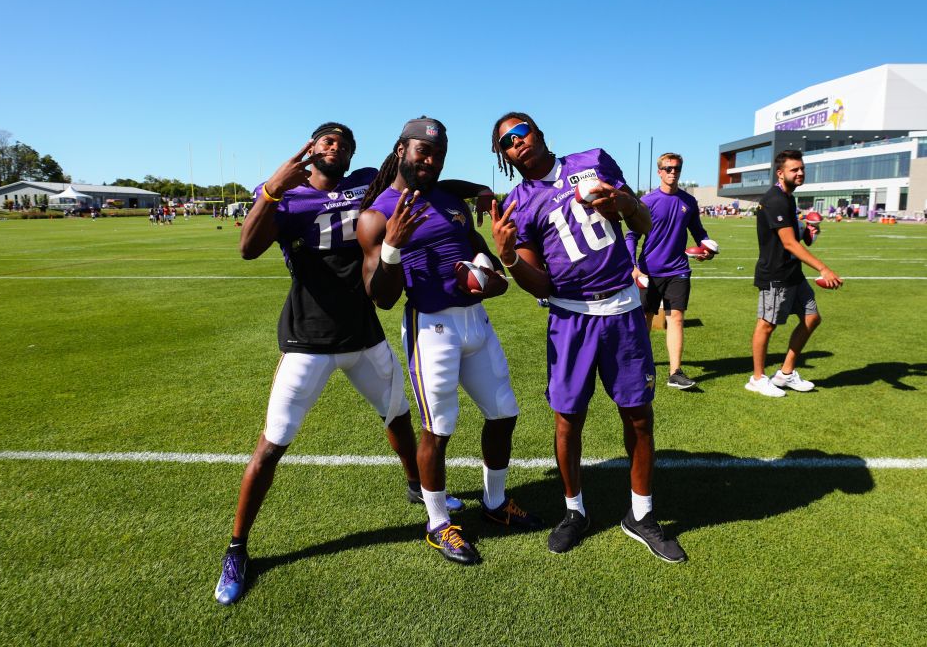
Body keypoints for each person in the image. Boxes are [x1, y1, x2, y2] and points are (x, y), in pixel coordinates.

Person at [214, 121, 486, 605]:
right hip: (309, 337)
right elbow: (247, 248)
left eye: (345, 142)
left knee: (399, 416)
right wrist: (273, 192)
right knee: (273, 444)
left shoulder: (365, 182)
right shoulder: (287, 194)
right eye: (328, 140)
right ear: (312, 147)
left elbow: (431, 182)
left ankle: (414, 487)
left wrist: (481, 189)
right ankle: (237, 547)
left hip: (362, 333)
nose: (337, 147)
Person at [488, 112, 686, 563]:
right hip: (571, 317)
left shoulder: (593, 159)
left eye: (522, 133)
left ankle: (641, 513)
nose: (518, 143)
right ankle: (574, 511)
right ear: (504, 155)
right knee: (567, 419)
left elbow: (643, 225)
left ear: (539, 133)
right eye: (507, 142)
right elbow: (540, 284)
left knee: (638, 415)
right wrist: (508, 258)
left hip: (621, 307)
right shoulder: (518, 201)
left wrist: (622, 204)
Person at [357, 116, 542, 567]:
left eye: (438, 153)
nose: (431, 160)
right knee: (437, 429)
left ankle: (494, 504)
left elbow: (487, 265)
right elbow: (379, 297)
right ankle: (438, 524)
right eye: (423, 151)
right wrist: (393, 248)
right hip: (431, 327)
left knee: (504, 413)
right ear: (401, 150)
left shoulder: (449, 199)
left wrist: (489, 279)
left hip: (475, 323)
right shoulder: (376, 214)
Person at [746, 150, 843, 398]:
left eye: (801, 168)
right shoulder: (776, 199)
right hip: (775, 275)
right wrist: (823, 268)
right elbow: (788, 243)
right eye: (794, 169)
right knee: (766, 325)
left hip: (793, 273)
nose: (800, 173)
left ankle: (785, 374)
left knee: (812, 318)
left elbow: (793, 237)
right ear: (780, 173)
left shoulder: (788, 198)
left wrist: (808, 231)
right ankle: (757, 379)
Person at [624, 152, 713, 391]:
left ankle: (675, 372)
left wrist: (706, 249)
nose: (673, 172)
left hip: (678, 270)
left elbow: (699, 233)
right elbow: (631, 235)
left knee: (677, 318)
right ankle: (638, 366)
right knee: (645, 320)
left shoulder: (688, 202)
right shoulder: (647, 201)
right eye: (668, 168)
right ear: (659, 172)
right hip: (649, 272)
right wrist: (632, 266)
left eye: (677, 168)